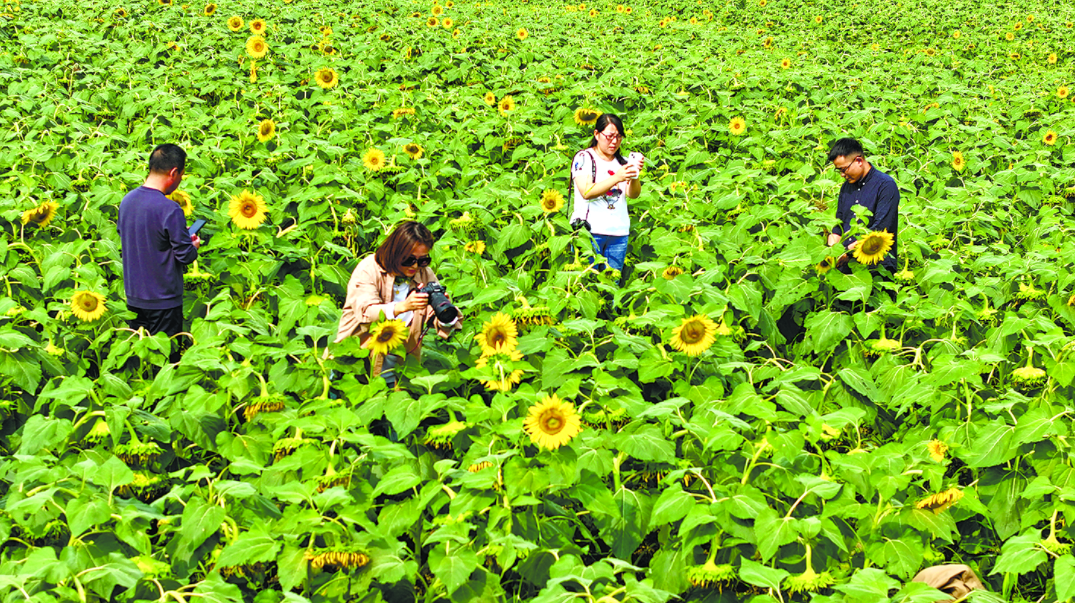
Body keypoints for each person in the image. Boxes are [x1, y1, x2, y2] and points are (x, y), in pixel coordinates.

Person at [335, 221, 461, 385]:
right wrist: (403, 306)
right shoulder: (369, 269)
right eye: (409, 260)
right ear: (395, 252)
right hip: (357, 360)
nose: (415, 266)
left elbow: (438, 321)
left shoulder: (424, 274)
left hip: (401, 363)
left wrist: (444, 311)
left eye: (423, 260)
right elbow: (366, 311)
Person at [117, 144, 201, 341]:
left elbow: (137, 237)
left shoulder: (127, 201)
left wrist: (177, 236)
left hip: (134, 297)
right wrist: (192, 246)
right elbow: (185, 255)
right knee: (165, 359)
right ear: (174, 172)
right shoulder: (170, 209)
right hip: (163, 301)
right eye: (180, 176)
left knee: (141, 353)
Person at [570, 113, 645, 276]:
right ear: (597, 134)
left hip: (618, 233)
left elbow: (633, 194)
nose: (614, 141)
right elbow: (586, 192)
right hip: (590, 232)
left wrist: (635, 175)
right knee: (586, 283)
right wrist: (617, 177)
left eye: (619, 137)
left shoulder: (622, 162)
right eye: (610, 136)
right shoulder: (584, 158)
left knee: (611, 284)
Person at [826, 137, 899, 272]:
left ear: (858, 160)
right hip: (846, 267)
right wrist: (831, 250)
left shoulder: (885, 186)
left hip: (876, 266)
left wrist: (846, 252)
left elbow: (880, 230)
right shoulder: (846, 188)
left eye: (844, 169)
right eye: (839, 171)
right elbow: (839, 225)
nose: (842, 175)